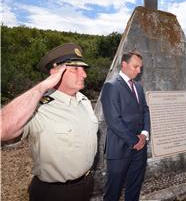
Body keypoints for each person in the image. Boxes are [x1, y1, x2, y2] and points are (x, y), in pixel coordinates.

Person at [1, 43, 99, 201]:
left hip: (86, 184)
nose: (84, 75)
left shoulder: (84, 101)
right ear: (55, 72)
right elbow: (3, 129)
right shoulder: (38, 107)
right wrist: (42, 87)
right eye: (75, 69)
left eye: (83, 69)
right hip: (55, 193)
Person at [101, 51, 150, 201]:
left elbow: (145, 111)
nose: (139, 71)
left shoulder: (139, 88)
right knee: (113, 192)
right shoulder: (111, 86)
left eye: (140, 67)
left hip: (140, 149)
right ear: (124, 64)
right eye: (135, 66)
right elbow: (114, 120)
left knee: (134, 188)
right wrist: (134, 140)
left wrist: (144, 134)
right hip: (119, 149)